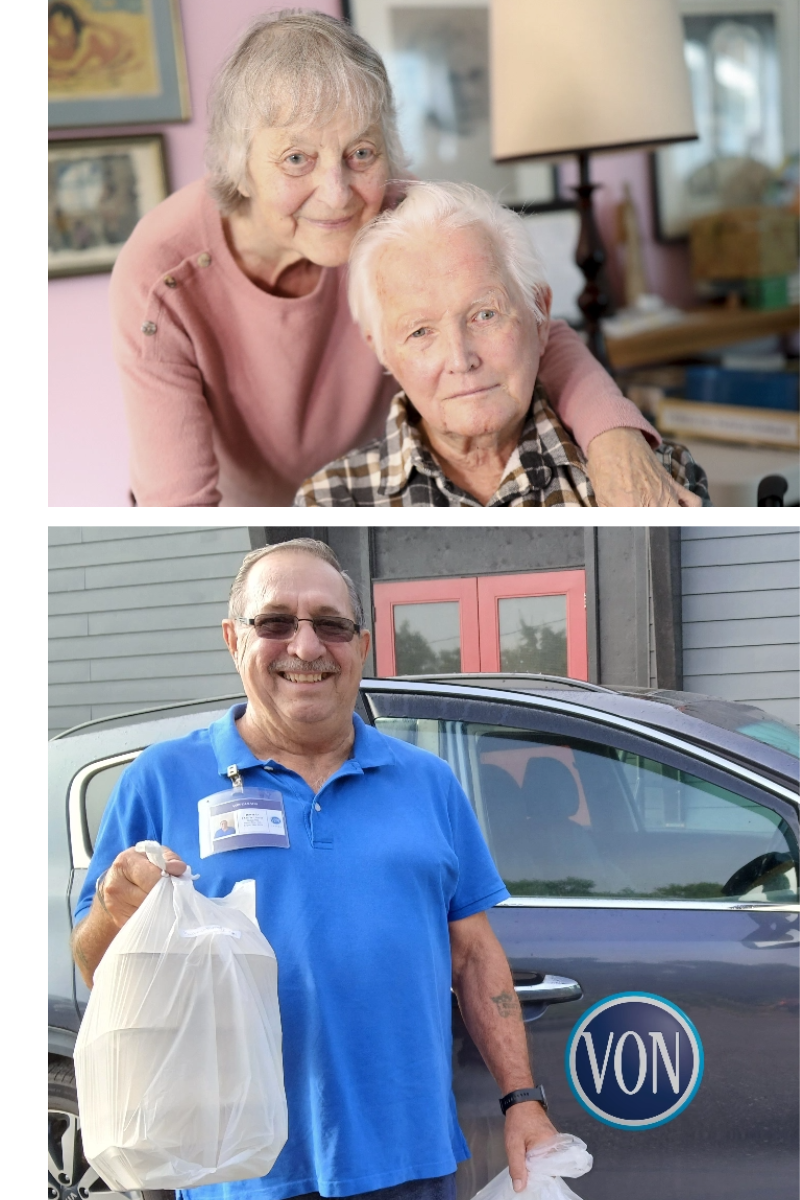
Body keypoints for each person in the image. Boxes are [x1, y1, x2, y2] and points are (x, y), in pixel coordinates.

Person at [72, 539, 558, 1200]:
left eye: (330, 624)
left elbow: (474, 957)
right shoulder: (161, 779)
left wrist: (521, 1099)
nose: (305, 647)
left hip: (409, 1163)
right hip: (237, 1171)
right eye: (275, 622)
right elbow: (95, 967)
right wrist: (114, 905)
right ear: (232, 639)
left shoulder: (428, 782)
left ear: (360, 646)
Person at [110, 10, 701, 508]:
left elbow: (530, 325)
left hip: (394, 487)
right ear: (237, 162)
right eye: (297, 160)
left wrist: (613, 435)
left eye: (361, 151)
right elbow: (176, 503)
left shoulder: (397, 209)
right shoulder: (160, 275)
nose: (339, 192)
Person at [294, 183, 710, 508]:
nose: (460, 359)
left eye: (485, 315)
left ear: (541, 317)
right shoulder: (329, 499)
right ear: (381, 349)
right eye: (420, 332)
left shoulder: (655, 478)